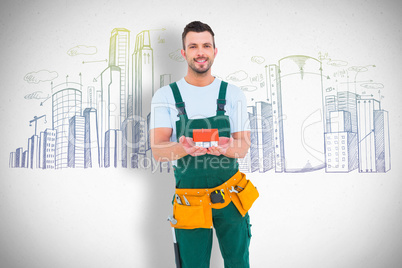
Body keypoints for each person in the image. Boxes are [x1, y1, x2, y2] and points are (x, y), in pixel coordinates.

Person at [150, 21, 255, 268]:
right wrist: (182, 148)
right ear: (184, 53)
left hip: (230, 195)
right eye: (193, 46)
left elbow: (242, 147)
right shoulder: (166, 95)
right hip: (189, 200)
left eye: (206, 45)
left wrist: (225, 148)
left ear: (214, 51)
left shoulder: (233, 94)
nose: (200, 52)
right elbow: (158, 151)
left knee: (238, 262)